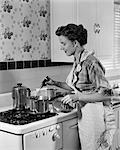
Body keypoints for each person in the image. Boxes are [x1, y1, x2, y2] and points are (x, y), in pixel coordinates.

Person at [42, 23, 116, 150]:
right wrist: (54, 83)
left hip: (95, 114)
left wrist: (77, 97)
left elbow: (107, 93)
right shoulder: (78, 61)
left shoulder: (90, 62)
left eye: (63, 43)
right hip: (85, 113)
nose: (61, 47)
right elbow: (76, 87)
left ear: (75, 43)